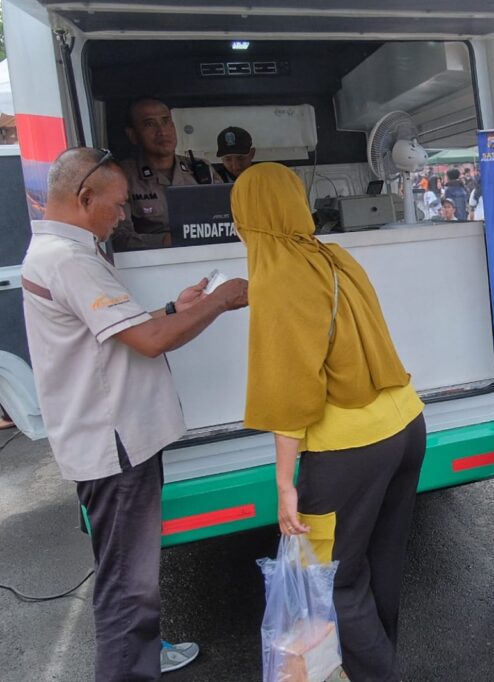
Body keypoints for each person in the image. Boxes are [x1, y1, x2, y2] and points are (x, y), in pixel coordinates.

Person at [21, 147, 248, 680]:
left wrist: (175, 309)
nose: (123, 216)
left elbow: (116, 330)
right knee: (128, 586)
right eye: (117, 204)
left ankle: (142, 652)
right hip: (114, 445)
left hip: (110, 439)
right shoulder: (70, 260)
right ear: (85, 197)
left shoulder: (61, 252)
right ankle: (129, 666)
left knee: (127, 573)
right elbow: (148, 341)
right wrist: (220, 301)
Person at [233, 162, 425, 682]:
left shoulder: (278, 277)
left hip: (349, 447)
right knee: (379, 566)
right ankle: (376, 663)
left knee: (330, 580)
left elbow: (291, 390)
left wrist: (284, 483)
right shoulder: (336, 255)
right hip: (406, 423)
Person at [114, 97, 221, 251]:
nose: (162, 131)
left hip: (206, 254)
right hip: (150, 261)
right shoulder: (122, 176)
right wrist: (165, 241)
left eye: (166, 121)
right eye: (149, 124)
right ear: (133, 135)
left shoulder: (202, 169)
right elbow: (119, 238)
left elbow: (225, 222)